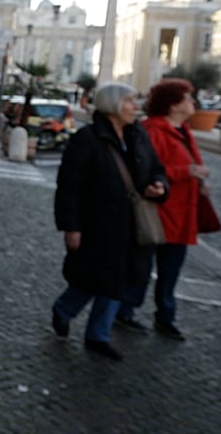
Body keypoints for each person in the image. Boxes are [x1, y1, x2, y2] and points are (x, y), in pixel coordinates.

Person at [52, 83, 170, 360]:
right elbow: (70, 187)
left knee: (120, 280)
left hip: (132, 226)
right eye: (130, 101)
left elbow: (156, 169)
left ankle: (98, 335)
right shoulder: (87, 140)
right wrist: (72, 226)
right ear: (114, 105)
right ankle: (64, 309)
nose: (135, 106)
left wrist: (158, 185)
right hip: (98, 225)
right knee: (92, 278)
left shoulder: (138, 136)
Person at [116, 79, 207, 340]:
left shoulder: (183, 131)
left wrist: (197, 180)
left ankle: (165, 316)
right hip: (158, 210)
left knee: (171, 269)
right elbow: (146, 169)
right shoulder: (154, 131)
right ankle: (126, 310)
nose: (193, 103)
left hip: (181, 212)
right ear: (173, 104)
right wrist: (187, 171)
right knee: (141, 265)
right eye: (188, 98)